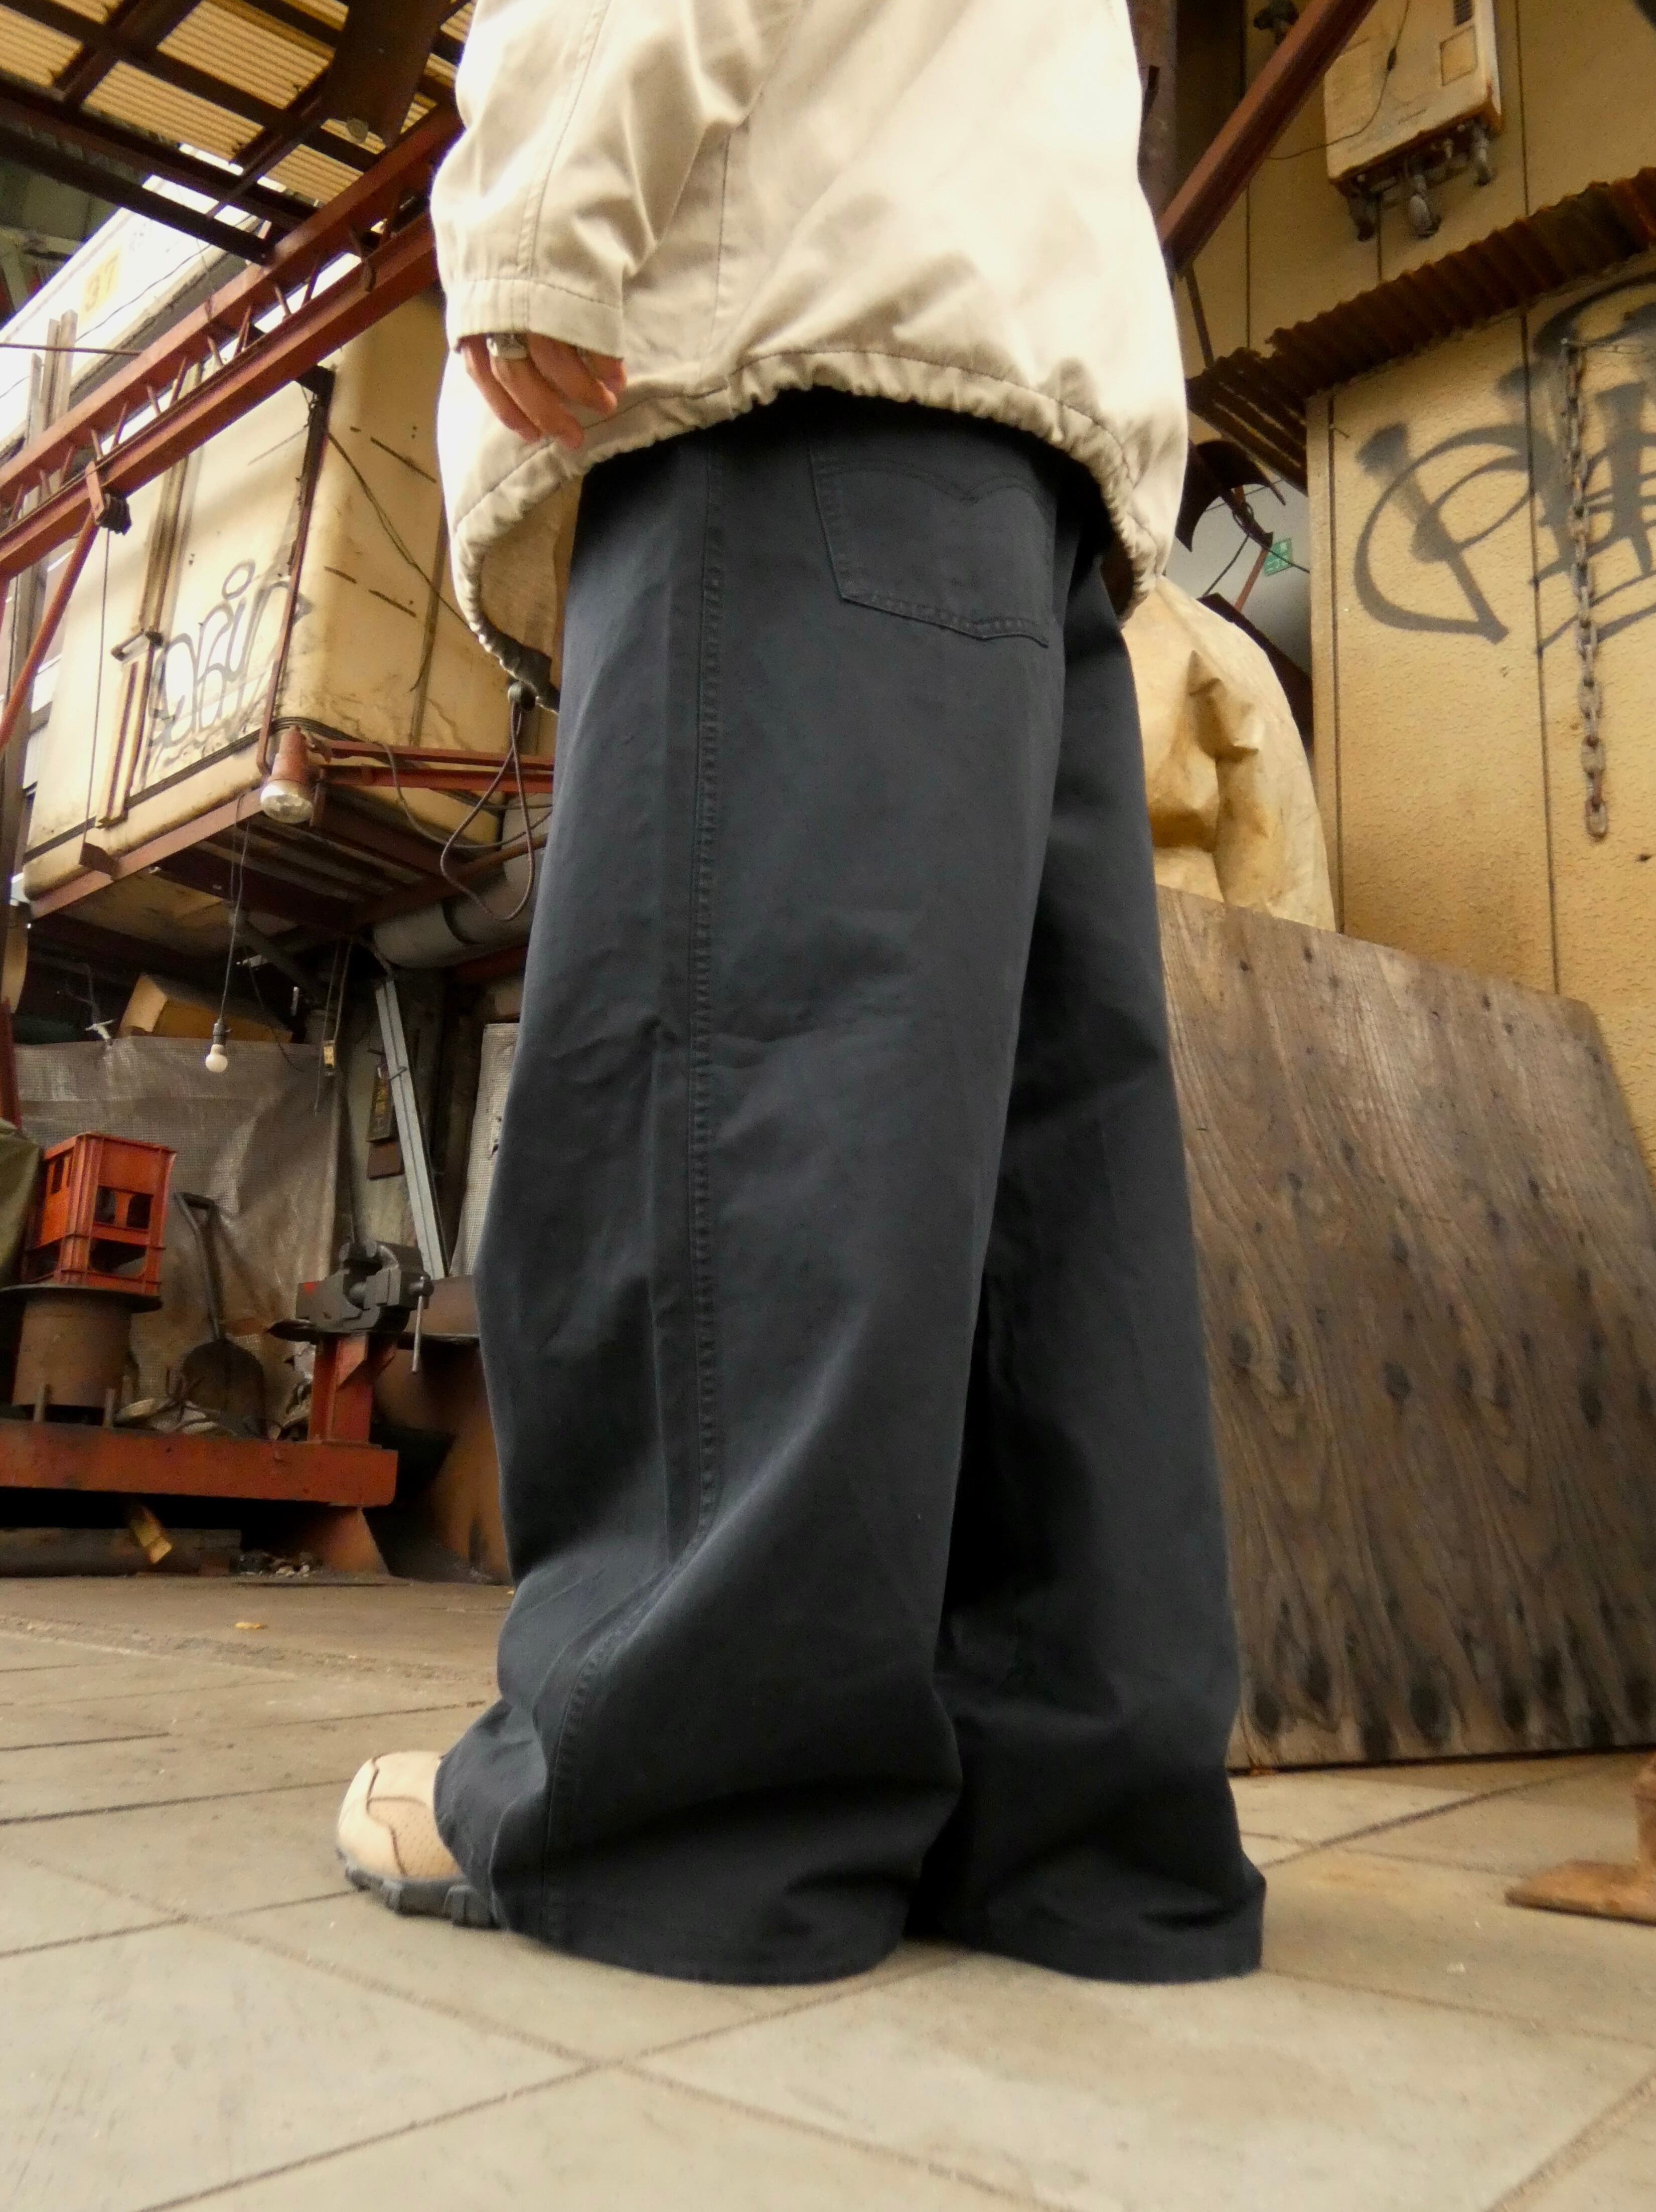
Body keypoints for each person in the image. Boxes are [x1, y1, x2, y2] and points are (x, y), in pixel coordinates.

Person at [337, 0, 1266, 1988]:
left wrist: (541, 203)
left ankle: (680, 1804)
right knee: (1036, 1180)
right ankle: (1076, 1828)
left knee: (739, 1083)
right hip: (1030, 442)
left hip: (788, 354)